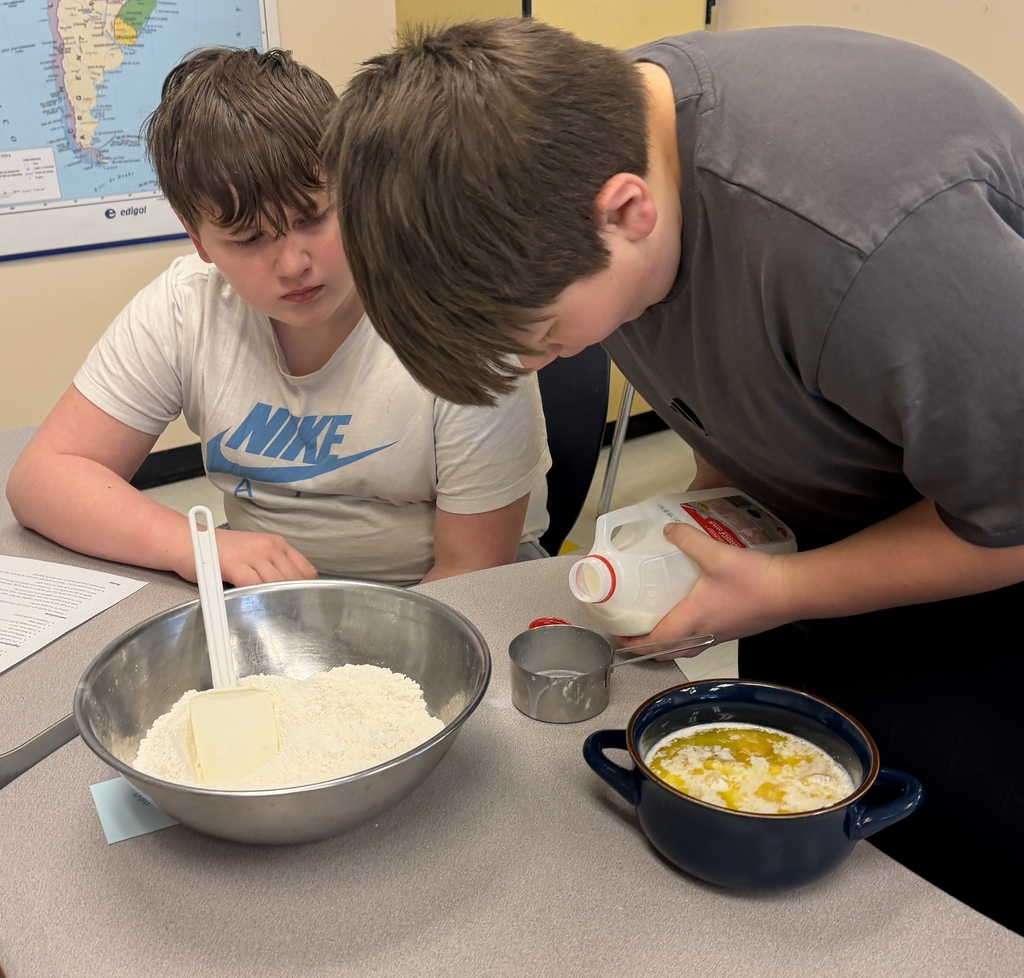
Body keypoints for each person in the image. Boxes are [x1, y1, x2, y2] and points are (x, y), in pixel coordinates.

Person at [319, 20, 1024, 931]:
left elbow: (1008, 517)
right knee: (806, 846)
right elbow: (721, 366)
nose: (544, 366)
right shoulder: (578, 142)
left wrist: (786, 588)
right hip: (846, 524)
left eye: (545, 341)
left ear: (626, 212)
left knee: (951, 877)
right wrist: (722, 527)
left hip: (988, 546)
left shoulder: (873, 239)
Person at [6, 47, 551, 589]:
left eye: (313, 217)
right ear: (197, 239)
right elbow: (42, 478)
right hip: (271, 603)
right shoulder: (185, 308)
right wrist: (194, 544)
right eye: (248, 240)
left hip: (440, 597)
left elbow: (470, 571)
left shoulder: (455, 318)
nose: (294, 264)